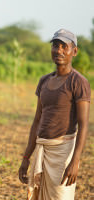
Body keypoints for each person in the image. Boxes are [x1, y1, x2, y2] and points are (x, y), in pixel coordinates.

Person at [18, 29, 91, 200]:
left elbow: (83, 125)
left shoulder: (78, 82)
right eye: (55, 46)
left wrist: (75, 162)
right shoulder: (44, 81)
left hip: (63, 153)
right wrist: (26, 158)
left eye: (63, 46)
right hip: (43, 150)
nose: (58, 50)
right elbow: (37, 120)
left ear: (74, 51)